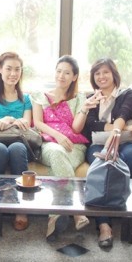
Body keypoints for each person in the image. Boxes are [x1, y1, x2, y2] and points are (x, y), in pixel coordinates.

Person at [82, 58, 132, 250]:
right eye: (97, 73)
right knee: (102, 162)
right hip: (98, 144)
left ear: (114, 74)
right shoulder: (91, 98)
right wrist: (126, 127)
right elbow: (91, 125)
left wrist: (117, 130)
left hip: (126, 143)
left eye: (105, 72)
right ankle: (104, 225)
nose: (101, 77)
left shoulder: (128, 94)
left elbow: (124, 114)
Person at [31, 55, 95, 241]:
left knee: (58, 165)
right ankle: (76, 211)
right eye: (59, 71)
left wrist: (84, 109)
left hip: (74, 146)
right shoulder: (40, 96)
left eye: (67, 73)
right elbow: (38, 123)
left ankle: (54, 217)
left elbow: (76, 129)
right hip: (48, 144)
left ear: (74, 77)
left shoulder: (80, 98)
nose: (61, 76)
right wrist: (58, 136)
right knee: (57, 153)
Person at [0, 52, 33, 231]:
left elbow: (27, 125)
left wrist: (16, 121)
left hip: (18, 141)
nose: (13, 74)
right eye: (8, 69)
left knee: (17, 149)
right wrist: (3, 121)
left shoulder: (26, 99)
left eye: (17, 69)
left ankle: (21, 209)